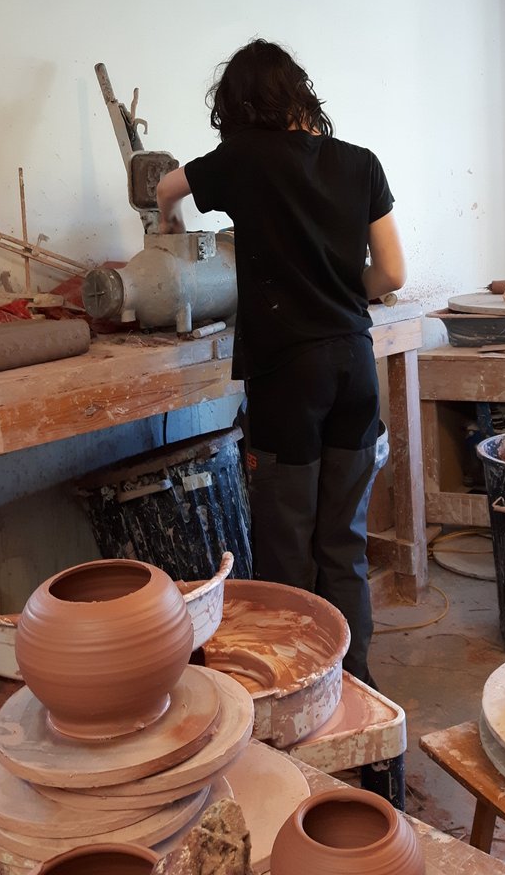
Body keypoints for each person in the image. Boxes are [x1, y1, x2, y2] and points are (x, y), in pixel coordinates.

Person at [157, 40, 405, 684]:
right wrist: (340, 291)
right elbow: (392, 274)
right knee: (344, 544)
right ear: (300, 93)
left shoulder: (245, 157)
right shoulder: (361, 162)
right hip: (354, 365)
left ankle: (299, 691)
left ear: (238, 106)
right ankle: (355, 686)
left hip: (289, 378)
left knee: (288, 551)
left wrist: (167, 220)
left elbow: (167, 184)